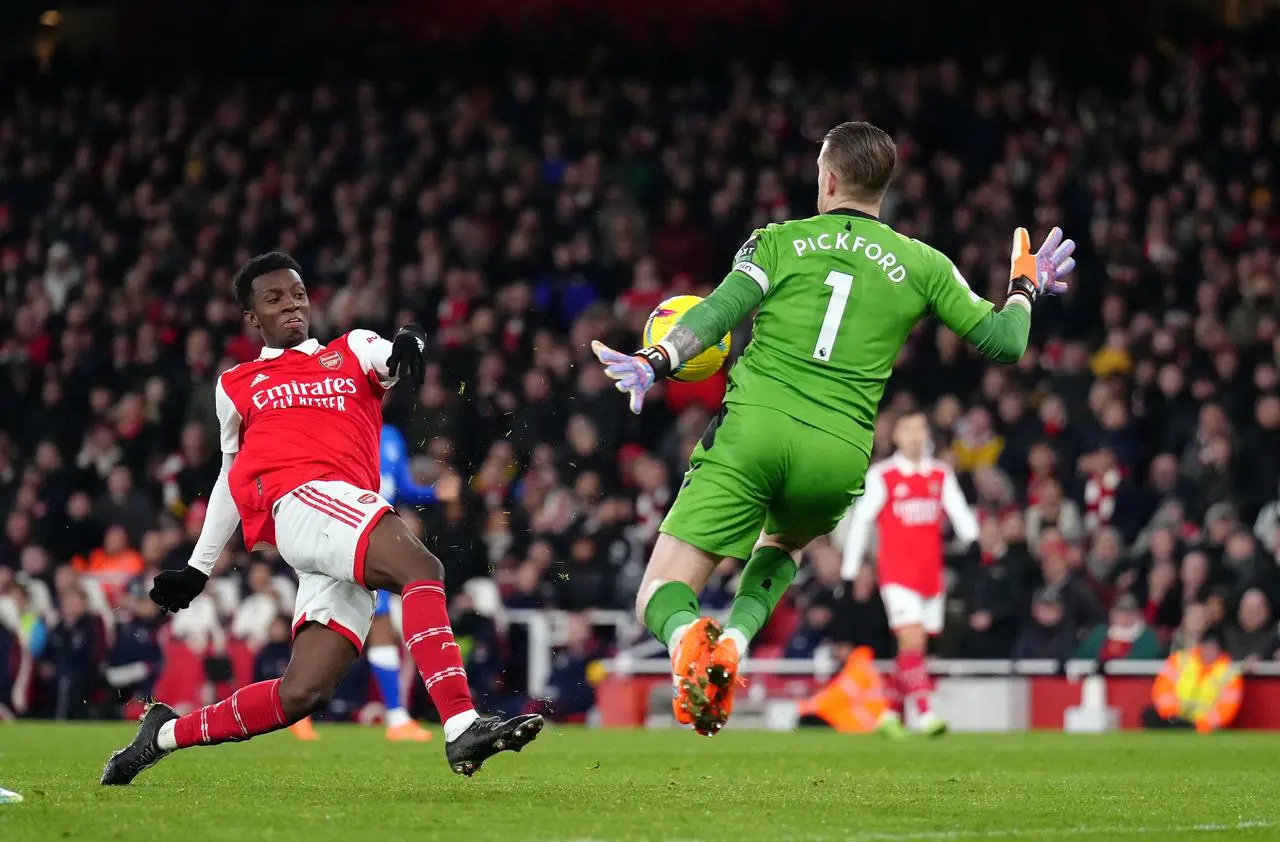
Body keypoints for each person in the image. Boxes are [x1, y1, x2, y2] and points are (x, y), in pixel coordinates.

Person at [591, 121, 1076, 734]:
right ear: (884, 187)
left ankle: (692, 642)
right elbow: (1005, 342)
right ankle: (734, 642)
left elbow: (719, 311)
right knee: (782, 545)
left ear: (829, 178)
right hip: (840, 455)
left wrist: (655, 360)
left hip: (756, 434)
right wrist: (1025, 288)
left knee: (659, 591)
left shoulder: (778, 242)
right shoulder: (924, 263)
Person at [101, 252, 541, 785]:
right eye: (274, 298)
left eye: (298, 294)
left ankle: (162, 734)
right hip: (305, 505)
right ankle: (461, 725)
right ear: (251, 317)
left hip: (343, 520)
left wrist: (409, 340)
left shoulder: (349, 349)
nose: (291, 304)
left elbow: (394, 354)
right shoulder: (236, 384)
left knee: (301, 693)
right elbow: (231, 478)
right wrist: (198, 567)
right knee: (421, 569)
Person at [839, 412, 980, 737]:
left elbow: (957, 507)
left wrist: (972, 537)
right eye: (908, 430)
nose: (915, 437)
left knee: (913, 651)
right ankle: (927, 714)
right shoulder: (884, 475)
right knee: (911, 638)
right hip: (897, 574)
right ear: (897, 437)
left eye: (920, 429)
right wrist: (849, 571)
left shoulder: (939, 473)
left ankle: (889, 715)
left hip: (931, 574)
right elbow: (862, 521)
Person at [356, 423, 460, 743]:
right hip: (351, 530)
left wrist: (434, 493)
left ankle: (398, 716)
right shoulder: (343, 422)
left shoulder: (390, 435)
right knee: (341, 623)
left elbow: (400, 486)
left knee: (376, 623)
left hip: (378, 533)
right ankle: (398, 716)